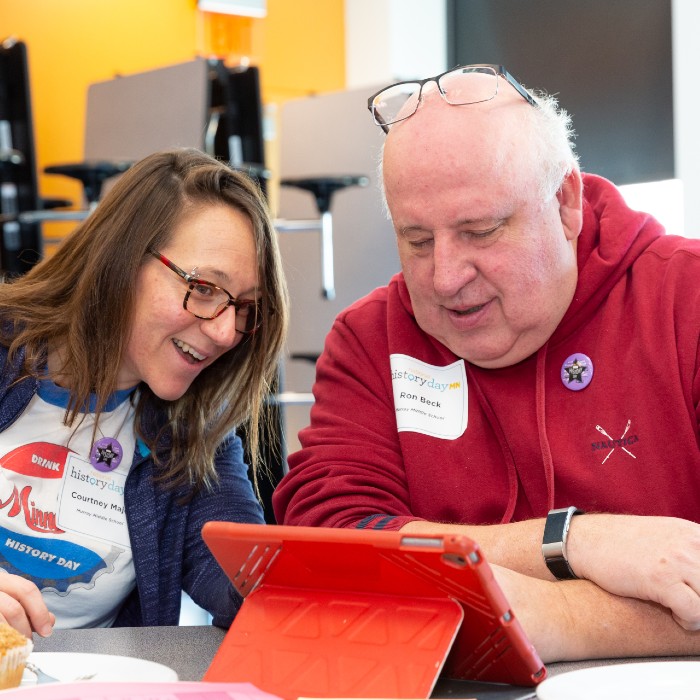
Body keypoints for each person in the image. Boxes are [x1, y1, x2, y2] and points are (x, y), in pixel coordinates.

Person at [272, 65, 700, 660]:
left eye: (481, 231)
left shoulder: (686, 301)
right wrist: (574, 544)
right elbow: (329, 544)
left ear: (565, 203)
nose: (446, 278)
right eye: (417, 240)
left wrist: (551, 616)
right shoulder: (371, 341)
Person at [0, 148, 288, 637]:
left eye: (243, 308)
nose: (225, 333)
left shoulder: (195, 428)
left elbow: (242, 578)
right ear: (123, 257)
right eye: (203, 289)